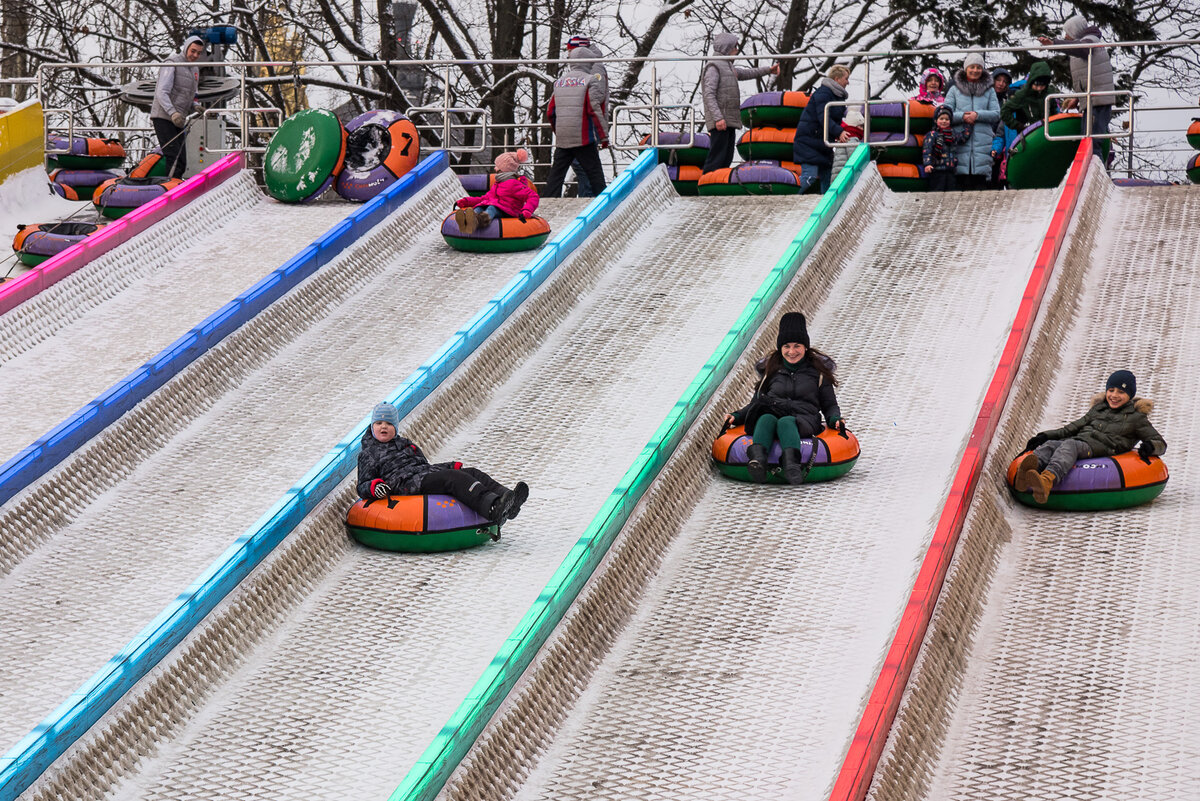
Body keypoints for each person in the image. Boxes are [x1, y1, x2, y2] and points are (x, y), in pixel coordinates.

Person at [356, 403, 529, 525]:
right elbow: (362, 484)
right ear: (372, 427)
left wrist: (448, 466)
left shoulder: (406, 444)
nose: (383, 427)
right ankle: (492, 508)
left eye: (388, 423)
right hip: (404, 485)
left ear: (395, 427)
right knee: (453, 478)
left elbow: (425, 467)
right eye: (378, 423)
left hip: (419, 477)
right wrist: (374, 487)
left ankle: (509, 500)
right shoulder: (368, 453)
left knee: (472, 472)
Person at [724, 313, 845, 484]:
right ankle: (758, 461)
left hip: (805, 418)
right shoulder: (772, 370)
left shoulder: (817, 372)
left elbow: (829, 404)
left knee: (786, 422)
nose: (792, 351)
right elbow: (756, 403)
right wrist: (736, 416)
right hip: (774, 411)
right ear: (780, 347)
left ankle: (791, 465)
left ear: (805, 347)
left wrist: (835, 419)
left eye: (797, 346)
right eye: (786, 346)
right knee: (765, 417)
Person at [1015, 370, 1165, 504]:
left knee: (1070, 445)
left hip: (1104, 447)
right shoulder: (1099, 409)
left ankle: (1047, 480)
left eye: (1121, 392)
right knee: (1051, 445)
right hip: (1083, 440)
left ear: (1130, 395)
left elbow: (1160, 442)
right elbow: (1072, 428)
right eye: (1111, 390)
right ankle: (1025, 476)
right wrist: (1045, 436)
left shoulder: (1136, 418)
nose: (1114, 395)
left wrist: (1151, 447)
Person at [700, 33, 780, 173]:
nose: (737, 50)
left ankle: (719, 187)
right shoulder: (713, 66)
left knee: (727, 157)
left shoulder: (728, 66)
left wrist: (768, 70)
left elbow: (746, 73)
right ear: (727, 48)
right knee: (716, 157)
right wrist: (718, 118)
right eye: (735, 46)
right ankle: (706, 186)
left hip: (729, 120)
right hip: (721, 120)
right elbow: (709, 94)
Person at [545, 46, 609, 198]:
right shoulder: (589, 80)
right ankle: (605, 201)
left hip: (563, 138)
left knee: (556, 174)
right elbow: (593, 109)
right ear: (588, 63)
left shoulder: (559, 82)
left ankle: (547, 202)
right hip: (583, 138)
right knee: (595, 173)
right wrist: (603, 136)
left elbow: (550, 111)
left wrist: (558, 131)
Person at [1038, 15, 1114, 139]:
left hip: (1098, 99)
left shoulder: (1090, 42)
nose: (1066, 37)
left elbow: (1083, 50)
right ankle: (1094, 156)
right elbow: (1087, 77)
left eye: (1068, 33)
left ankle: (1096, 157)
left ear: (1075, 31)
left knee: (1093, 138)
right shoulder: (1087, 43)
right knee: (1088, 136)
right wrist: (1078, 99)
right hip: (1092, 99)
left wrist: (1054, 43)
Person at [150, 35, 205, 180]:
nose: (195, 55)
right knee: (173, 157)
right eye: (193, 51)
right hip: (164, 116)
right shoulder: (172, 63)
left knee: (181, 160)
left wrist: (196, 105)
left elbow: (193, 93)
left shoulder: (194, 69)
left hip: (179, 119)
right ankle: (168, 191)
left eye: (198, 53)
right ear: (186, 47)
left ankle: (174, 187)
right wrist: (172, 112)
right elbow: (162, 92)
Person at [792, 64, 852, 194]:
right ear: (837, 79)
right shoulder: (824, 93)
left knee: (827, 177)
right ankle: (789, 198)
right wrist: (839, 131)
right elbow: (823, 117)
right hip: (809, 142)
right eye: (846, 78)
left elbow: (837, 118)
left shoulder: (836, 96)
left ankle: (826, 203)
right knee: (809, 176)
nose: (848, 82)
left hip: (821, 143)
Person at [944, 53, 1000, 191]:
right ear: (966, 68)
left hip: (983, 144)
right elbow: (945, 114)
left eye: (978, 67)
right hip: (960, 142)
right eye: (972, 67)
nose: (975, 70)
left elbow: (996, 114)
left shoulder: (990, 91)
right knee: (960, 187)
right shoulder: (954, 90)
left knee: (981, 187)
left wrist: (977, 115)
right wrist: (963, 117)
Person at [454, 148, 539, 233]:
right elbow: (484, 198)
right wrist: (466, 201)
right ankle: (468, 220)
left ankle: (478, 221)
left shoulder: (514, 184)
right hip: (496, 206)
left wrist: (527, 210)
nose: (495, 168)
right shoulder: (498, 183)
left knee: (492, 208)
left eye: (497, 166)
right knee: (481, 206)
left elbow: (533, 196)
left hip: (509, 211)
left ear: (503, 168)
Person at [566, 36, 607, 197]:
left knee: (583, 165)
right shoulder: (590, 65)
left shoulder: (594, 67)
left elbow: (596, 95)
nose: (568, 55)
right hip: (582, 121)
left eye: (570, 51)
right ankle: (589, 197)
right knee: (583, 164)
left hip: (587, 122)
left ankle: (588, 199)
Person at [922, 104, 973, 192]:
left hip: (950, 170)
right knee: (937, 191)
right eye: (941, 119)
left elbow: (963, 138)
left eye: (947, 119)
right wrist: (927, 164)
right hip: (936, 170)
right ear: (936, 120)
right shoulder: (932, 134)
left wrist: (968, 125)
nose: (944, 121)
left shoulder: (952, 134)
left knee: (951, 192)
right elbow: (927, 150)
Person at [1000, 62, 1058, 133]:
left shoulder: (1049, 93)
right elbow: (1005, 111)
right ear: (1031, 81)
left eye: (1043, 85)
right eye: (1036, 84)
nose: (1039, 88)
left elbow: (1054, 110)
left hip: (1048, 129)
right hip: (1030, 132)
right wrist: (1018, 126)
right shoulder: (1023, 94)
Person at [989, 66, 1015, 187]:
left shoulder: (1007, 101)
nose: (1001, 84)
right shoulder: (985, 97)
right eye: (998, 80)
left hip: (999, 142)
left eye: (1005, 82)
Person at [830, 106, 864, 184]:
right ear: (854, 127)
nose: (862, 129)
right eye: (860, 126)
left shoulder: (843, 136)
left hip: (838, 173)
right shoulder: (852, 138)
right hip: (844, 175)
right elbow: (854, 157)